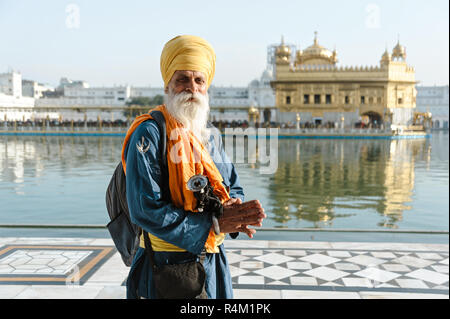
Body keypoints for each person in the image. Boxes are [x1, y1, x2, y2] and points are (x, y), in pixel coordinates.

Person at [123, 35, 266, 299]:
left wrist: (234, 210)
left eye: (199, 80)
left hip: (211, 263)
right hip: (164, 267)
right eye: (183, 80)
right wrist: (212, 224)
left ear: (206, 87)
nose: (192, 88)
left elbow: (232, 184)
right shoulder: (150, 133)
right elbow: (144, 208)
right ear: (168, 86)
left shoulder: (209, 135)